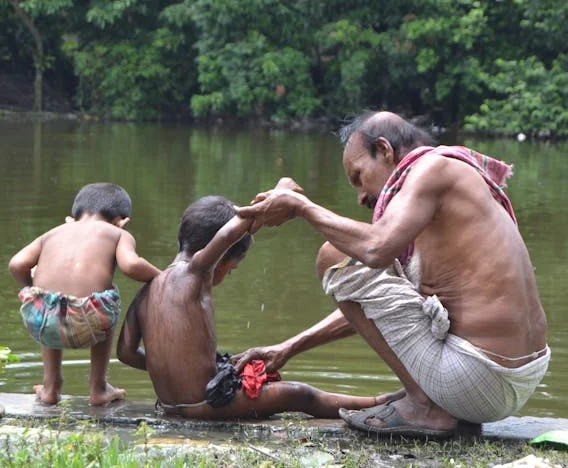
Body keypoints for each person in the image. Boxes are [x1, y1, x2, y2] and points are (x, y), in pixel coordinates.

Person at [233, 111, 550, 438]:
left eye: (358, 176)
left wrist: (301, 207)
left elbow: (376, 249)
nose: (361, 198)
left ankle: (426, 407)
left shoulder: (432, 170)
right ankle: (431, 402)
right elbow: (379, 308)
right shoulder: (456, 177)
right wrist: (288, 348)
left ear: (384, 150)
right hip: (518, 376)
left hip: (478, 376)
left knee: (334, 257)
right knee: (354, 265)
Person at [116, 195, 396, 419]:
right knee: (298, 394)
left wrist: (172, 371)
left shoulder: (145, 292)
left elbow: (126, 353)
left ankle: (376, 402)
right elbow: (227, 237)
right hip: (206, 406)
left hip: (169, 406)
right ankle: (376, 403)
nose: (228, 276)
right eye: (233, 268)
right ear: (218, 257)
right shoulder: (196, 272)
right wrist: (277, 194)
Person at [9, 182, 161, 406]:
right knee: (108, 294)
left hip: (40, 320)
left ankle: (51, 388)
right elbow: (131, 266)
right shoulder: (117, 233)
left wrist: (32, 290)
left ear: (71, 218)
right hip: (92, 321)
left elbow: (16, 264)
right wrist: (164, 277)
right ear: (122, 221)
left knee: (50, 298)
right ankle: (98, 388)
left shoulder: (52, 233)